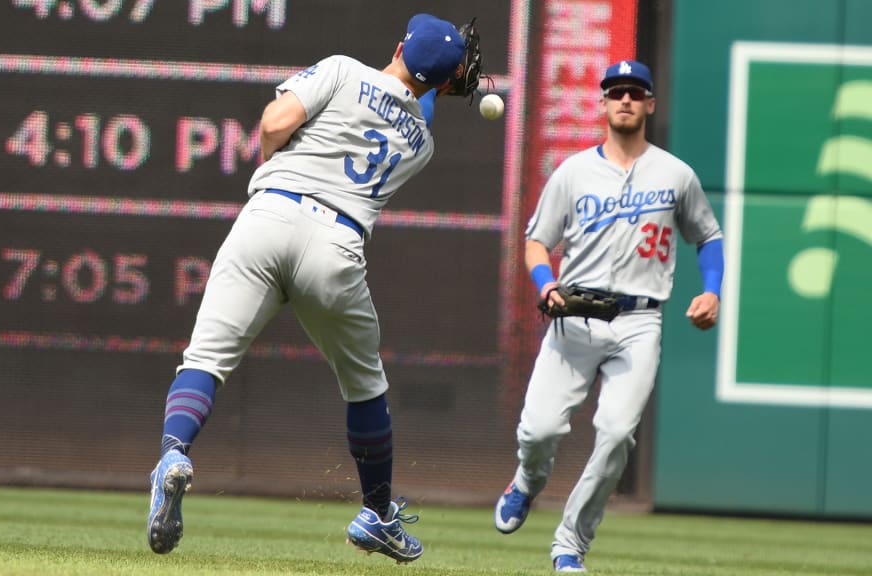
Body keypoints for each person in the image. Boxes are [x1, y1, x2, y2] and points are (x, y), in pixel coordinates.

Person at [146, 13, 468, 563]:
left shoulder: (343, 70)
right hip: (336, 245)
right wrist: (434, 84)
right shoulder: (421, 144)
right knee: (365, 386)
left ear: (397, 44)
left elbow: (275, 123)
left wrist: (282, 156)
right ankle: (377, 513)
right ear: (439, 84)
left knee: (206, 358)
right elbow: (415, 105)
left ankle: (174, 454)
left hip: (269, 214)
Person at [493, 60, 724, 573]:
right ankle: (528, 480)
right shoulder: (574, 171)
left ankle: (570, 543)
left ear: (649, 104)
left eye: (635, 92)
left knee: (618, 432)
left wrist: (713, 291)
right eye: (616, 91)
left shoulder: (675, 174)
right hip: (574, 314)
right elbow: (536, 241)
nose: (625, 99)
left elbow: (708, 237)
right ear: (602, 104)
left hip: (640, 322)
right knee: (538, 431)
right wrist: (543, 282)